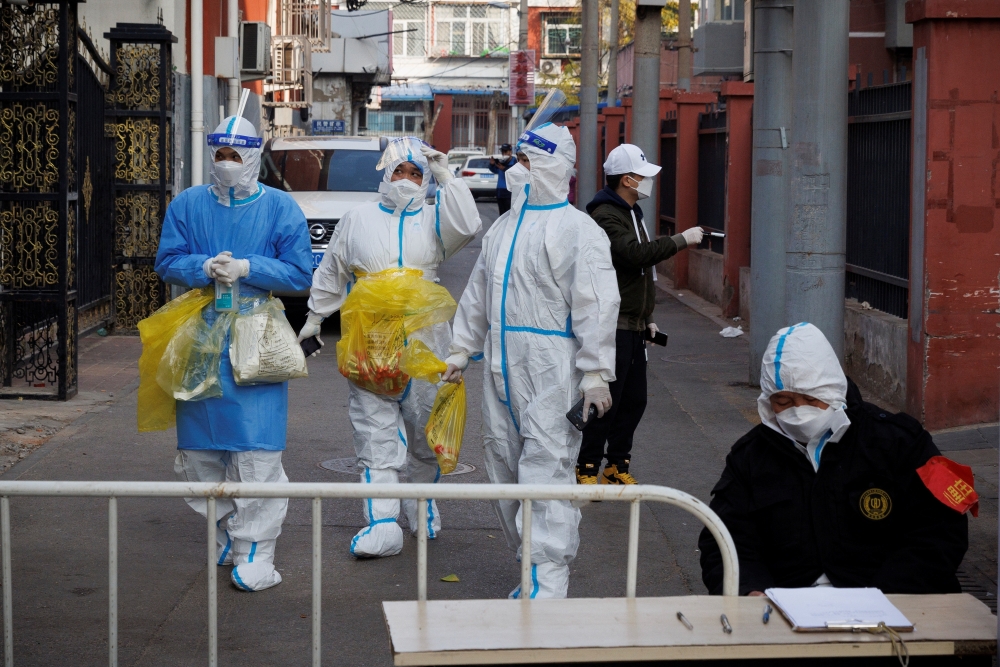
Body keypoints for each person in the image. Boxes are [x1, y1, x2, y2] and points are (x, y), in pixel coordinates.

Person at [443, 123, 621, 598]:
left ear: (553, 168)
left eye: (527, 163)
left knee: (547, 468)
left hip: (551, 366)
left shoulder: (579, 231)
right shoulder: (504, 227)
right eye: (517, 161)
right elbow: (478, 293)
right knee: (502, 465)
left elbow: (597, 304)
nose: (516, 171)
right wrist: (461, 348)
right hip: (500, 366)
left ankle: (548, 580)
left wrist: (595, 372)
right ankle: (529, 569)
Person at [298, 136, 482, 558]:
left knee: (424, 430)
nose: (406, 179)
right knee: (373, 431)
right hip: (370, 338)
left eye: (416, 173)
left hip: (425, 338)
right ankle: (382, 523)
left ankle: (422, 502)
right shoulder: (358, 218)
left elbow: (468, 225)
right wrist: (314, 317)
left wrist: (447, 177)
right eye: (399, 170)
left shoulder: (436, 220)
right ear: (385, 173)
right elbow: (333, 269)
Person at [155, 114, 313, 592]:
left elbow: (299, 273)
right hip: (201, 333)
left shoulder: (280, 208)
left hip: (256, 333)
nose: (226, 163)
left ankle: (257, 552)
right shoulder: (187, 204)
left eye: (235, 155)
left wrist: (249, 267)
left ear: (252, 157)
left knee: (256, 450)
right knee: (197, 452)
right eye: (220, 155)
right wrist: (202, 266)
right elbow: (167, 261)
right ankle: (228, 530)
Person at [699, 323, 969, 595]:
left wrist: (886, 596)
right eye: (783, 402)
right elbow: (723, 539)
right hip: (784, 603)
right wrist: (750, 590)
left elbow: (940, 531)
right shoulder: (750, 456)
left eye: (811, 399)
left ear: (832, 389)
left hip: (891, 600)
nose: (799, 412)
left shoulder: (900, 442)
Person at [577, 144, 705, 486]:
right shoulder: (606, 215)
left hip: (633, 323)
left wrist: (647, 317)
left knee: (634, 401)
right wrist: (681, 240)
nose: (649, 181)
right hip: (613, 325)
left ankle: (616, 466)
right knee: (606, 401)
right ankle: (586, 467)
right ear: (627, 179)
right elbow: (634, 255)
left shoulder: (633, 213)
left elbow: (641, 274)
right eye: (643, 176)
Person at [488, 144, 517, 216]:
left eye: (505, 151)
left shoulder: (514, 162)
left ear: (510, 152)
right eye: (502, 152)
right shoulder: (501, 161)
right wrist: (492, 164)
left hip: (509, 191)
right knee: (502, 214)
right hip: (500, 191)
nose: (504, 153)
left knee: (509, 213)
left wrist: (504, 168)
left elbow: (514, 174)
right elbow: (495, 170)